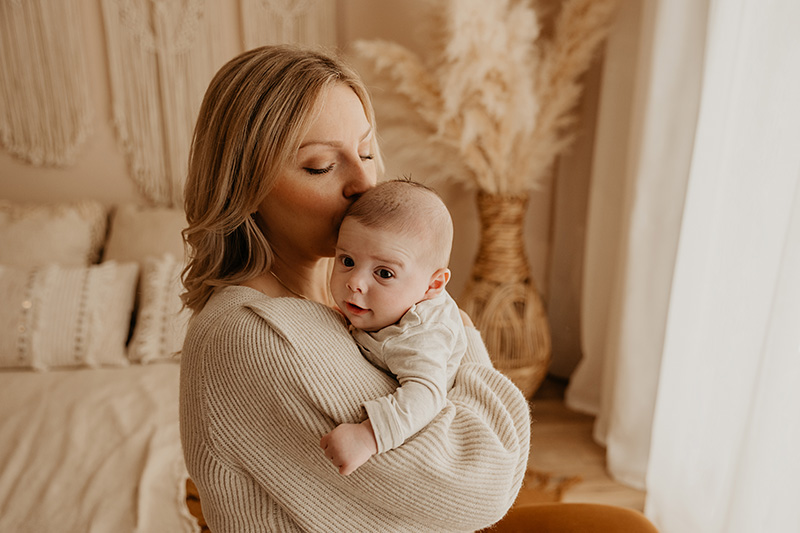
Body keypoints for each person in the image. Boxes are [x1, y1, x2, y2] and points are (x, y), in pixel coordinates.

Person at [179, 44, 659, 533]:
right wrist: (454, 325)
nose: (365, 181)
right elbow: (484, 485)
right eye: (322, 165)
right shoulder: (257, 336)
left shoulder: (337, 295)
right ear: (244, 186)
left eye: (366, 151)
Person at [321, 179, 467, 476]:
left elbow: (426, 394)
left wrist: (368, 436)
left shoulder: (418, 334)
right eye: (347, 260)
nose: (354, 282)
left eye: (384, 273)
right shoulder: (390, 304)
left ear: (434, 284)